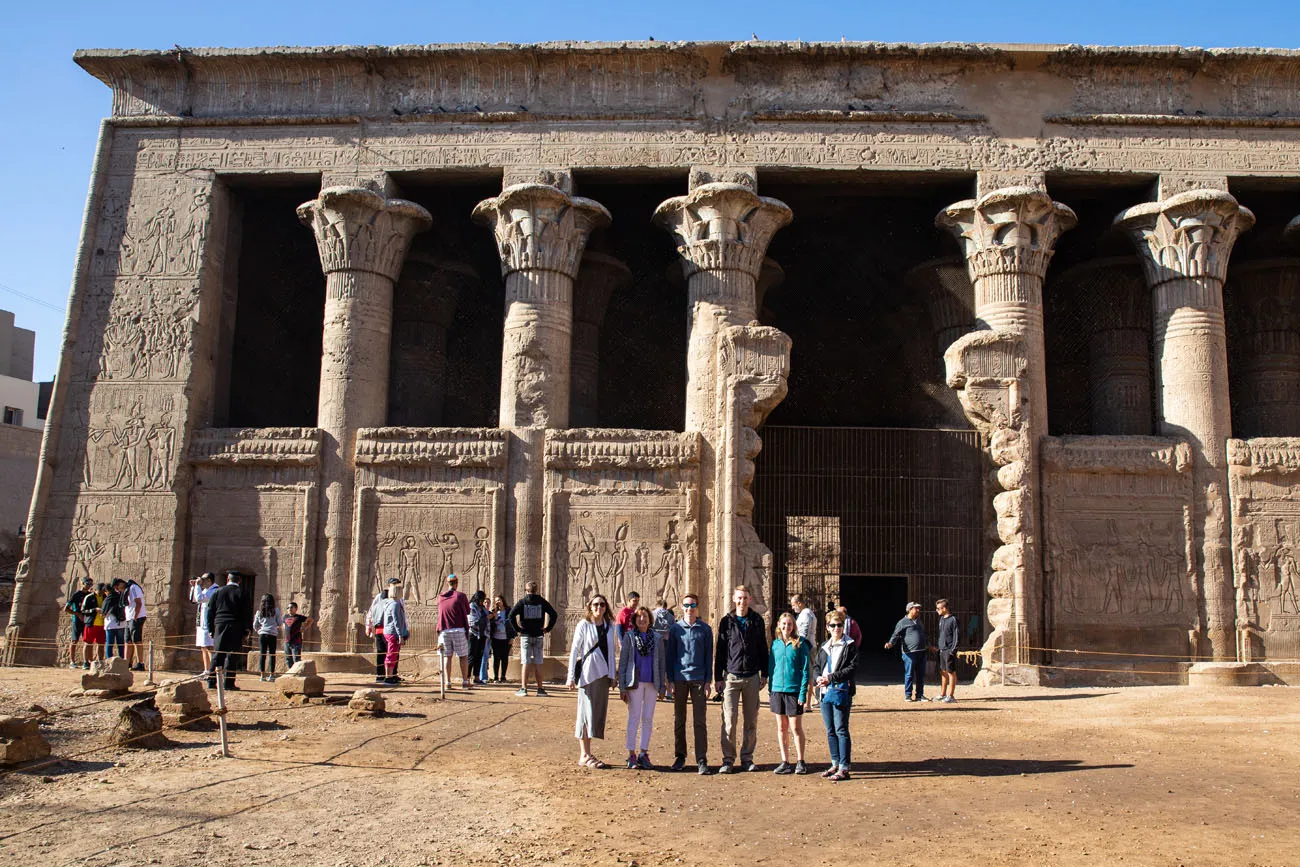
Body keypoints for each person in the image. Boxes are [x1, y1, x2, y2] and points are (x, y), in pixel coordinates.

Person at [714, 585, 769, 773]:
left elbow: (763, 647)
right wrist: (717, 677)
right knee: (729, 719)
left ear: (750, 600)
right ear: (733, 599)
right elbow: (720, 650)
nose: (742, 602)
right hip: (731, 676)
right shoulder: (726, 621)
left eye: (745, 598)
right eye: (739, 598)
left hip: (752, 676)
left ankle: (747, 758)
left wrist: (765, 673)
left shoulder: (756, 621)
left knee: (751, 720)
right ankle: (728, 759)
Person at [566, 593, 619, 769]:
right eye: (596, 605)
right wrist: (570, 677)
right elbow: (575, 651)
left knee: (596, 713)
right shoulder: (584, 624)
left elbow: (611, 652)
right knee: (585, 712)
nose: (599, 608)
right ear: (590, 606)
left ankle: (588, 753)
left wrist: (612, 675)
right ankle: (584, 754)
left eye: (602, 605)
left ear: (606, 607)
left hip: (603, 674)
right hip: (588, 674)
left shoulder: (609, 626)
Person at [667, 592, 713, 774]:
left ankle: (701, 758)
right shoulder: (675, 629)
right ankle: (680, 756)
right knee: (680, 720)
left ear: (697, 607)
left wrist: (709, 680)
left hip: (699, 679)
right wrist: (670, 680)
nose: (689, 609)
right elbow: (670, 656)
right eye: (686, 605)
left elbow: (709, 656)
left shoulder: (705, 629)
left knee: (700, 721)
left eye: (692, 605)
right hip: (679, 679)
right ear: (682, 607)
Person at [617, 606, 666, 769]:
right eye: (638, 617)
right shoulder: (630, 637)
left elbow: (661, 663)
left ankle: (643, 752)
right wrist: (622, 686)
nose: (642, 619)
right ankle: (631, 754)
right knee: (634, 717)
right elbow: (623, 662)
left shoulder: (657, 638)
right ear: (634, 620)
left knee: (647, 718)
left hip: (652, 682)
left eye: (644, 616)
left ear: (650, 619)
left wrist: (662, 686)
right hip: (635, 682)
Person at [815, 609, 858, 781]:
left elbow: (852, 668)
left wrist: (831, 678)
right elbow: (817, 666)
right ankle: (834, 762)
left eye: (839, 625)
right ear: (827, 627)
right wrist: (818, 678)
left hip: (840, 690)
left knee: (841, 729)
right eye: (833, 625)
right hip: (825, 691)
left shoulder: (850, 645)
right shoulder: (825, 646)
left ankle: (844, 767)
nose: (836, 628)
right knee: (830, 729)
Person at [767, 612, 811, 775]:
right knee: (781, 727)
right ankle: (785, 761)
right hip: (778, 690)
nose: (786, 627)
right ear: (779, 625)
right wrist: (771, 689)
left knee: (795, 727)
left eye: (790, 624)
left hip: (793, 690)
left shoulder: (800, 644)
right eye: (784, 624)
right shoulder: (775, 645)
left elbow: (806, 670)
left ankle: (800, 760)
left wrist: (803, 694)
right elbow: (772, 667)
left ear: (794, 626)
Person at [509, 581, 557, 697]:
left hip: (526, 634)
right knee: (538, 662)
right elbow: (554, 614)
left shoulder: (522, 602)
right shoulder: (541, 601)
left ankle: (524, 688)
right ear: (536, 590)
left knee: (525, 661)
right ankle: (540, 689)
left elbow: (511, 615)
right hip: (538, 634)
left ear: (526, 590)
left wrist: (518, 629)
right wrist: (547, 628)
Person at [206, 571, 247, 691]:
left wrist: (211, 628)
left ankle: (211, 681)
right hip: (236, 626)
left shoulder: (218, 591)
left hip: (220, 624)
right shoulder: (243, 593)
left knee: (217, 654)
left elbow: (210, 611)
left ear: (228, 579)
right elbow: (246, 613)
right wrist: (246, 630)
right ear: (239, 581)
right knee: (232, 655)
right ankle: (228, 683)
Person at [885, 601, 928, 702]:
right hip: (909, 653)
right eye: (916, 608)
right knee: (909, 674)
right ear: (910, 609)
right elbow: (895, 634)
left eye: (918, 608)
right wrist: (890, 643)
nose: (918, 610)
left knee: (920, 674)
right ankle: (908, 695)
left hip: (921, 651)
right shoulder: (902, 622)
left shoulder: (919, 621)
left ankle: (919, 695)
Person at [437, 573, 473, 689]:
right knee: (463, 656)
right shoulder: (460, 596)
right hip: (458, 629)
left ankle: (448, 682)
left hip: (444, 630)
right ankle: (465, 681)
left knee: (447, 656)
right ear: (456, 584)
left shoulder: (441, 597)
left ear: (447, 583)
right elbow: (467, 611)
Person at [378, 578, 410, 685]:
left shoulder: (390, 603)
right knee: (391, 654)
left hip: (389, 631)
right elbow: (396, 621)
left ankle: (390, 675)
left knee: (392, 654)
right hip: (393, 632)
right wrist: (400, 635)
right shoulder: (395, 604)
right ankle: (388, 677)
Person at [791, 593, 817, 711]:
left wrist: (800, 646)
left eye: (793, 605)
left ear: (799, 603)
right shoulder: (806, 613)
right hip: (808, 645)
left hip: (807, 646)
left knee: (808, 673)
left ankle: (808, 703)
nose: (792, 607)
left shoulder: (806, 615)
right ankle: (810, 700)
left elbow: (804, 633)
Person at [365, 581, 394, 684]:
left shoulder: (378, 603)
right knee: (391, 653)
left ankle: (381, 675)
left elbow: (370, 613)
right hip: (388, 631)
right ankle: (390, 675)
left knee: (382, 653)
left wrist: (368, 626)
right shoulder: (390, 603)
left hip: (379, 630)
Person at [189, 572, 217, 675]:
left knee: (210, 647)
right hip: (201, 623)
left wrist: (197, 586)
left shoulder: (214, 591)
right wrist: (194, 587)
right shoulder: (205, 590)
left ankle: (213, 671)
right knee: (203, 647)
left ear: (209, 580)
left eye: (203, 579)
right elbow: (194, 599)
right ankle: (206, 670)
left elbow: (201, 598)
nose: (201, 581)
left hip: (208, 624)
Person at [253, 594, 283, 681]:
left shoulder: (259, 612)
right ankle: (272, 675)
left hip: (263, 634)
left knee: (263, 654)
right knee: (272, 655)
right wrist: (274, 625)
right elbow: (280, 623)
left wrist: (259, 630)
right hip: (272, 634)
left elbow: (255, 625)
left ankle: (262, 675)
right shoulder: (276, 611)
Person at [64, 577, 92, 669]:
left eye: (90, 584)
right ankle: (72, 661)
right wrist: (77, 614)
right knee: (74, 640)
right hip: (77, 620)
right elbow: (66, 608)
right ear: (82, 583)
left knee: (88, 641)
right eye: (87, 584)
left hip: (87, 620)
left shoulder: (90, 595)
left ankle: (87, 661)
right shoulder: (76, 595)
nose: (89, 586)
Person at [935, 598, 959, 703]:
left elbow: (956, 636)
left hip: (949, 650)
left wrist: (952, 650)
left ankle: (951, 695)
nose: (937, 610)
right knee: (943, 671)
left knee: (951, 672)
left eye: (938, 608)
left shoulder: (953, 620)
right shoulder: (942, 620)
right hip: (942, 649)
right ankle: (943, 693)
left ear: (944, 608)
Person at [124, 577, 148, 672]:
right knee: (128, 640)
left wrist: (135, 616)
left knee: (137, 640)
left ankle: (140, 663)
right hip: (129, 617)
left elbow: (139, 603)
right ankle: (127, 662)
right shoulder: (127, 590)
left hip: (136, 617)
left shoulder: (133, 588)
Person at [467, 589, 491, 686]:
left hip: (482, 634)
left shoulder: (483, 609)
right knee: (471, 655)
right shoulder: (472, 607)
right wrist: (486, 618)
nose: (482, 601)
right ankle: (467, 677)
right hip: (473, 634)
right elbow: (473, 622)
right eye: (481, 599)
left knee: (479, 656)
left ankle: (476, 677)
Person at [103, 579, 130, 660]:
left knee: (109, 644)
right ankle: (122, 661)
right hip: (121, 623)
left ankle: (109, 661)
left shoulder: (109, 598)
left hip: (110, 624)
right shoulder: (122, 595)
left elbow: (104, 612)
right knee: (121, 644)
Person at [490, 594, 514, 683]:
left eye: (499, 600)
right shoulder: (494, 612)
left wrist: (512, 637)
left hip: (506, 637)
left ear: (503, 600)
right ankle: (496, 676)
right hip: (496, 638)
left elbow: (512, 624)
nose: (497, 602)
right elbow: (491, 624)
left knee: (504, 657)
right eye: (496, 600)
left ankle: (503, 676)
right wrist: (494, 618)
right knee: (496, 657)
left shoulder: (508, 611)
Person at [80, 583, 106, 665]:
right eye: (100, 591)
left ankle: (100, 661)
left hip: (102, 624)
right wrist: (94, 610)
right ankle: (86, 661)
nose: (101, 593)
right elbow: (83, 610)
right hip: (91, 623)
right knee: (88, 643)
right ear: (95, 590)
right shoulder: (89, 597)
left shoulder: (105, 597)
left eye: (103, 591)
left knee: (101, 644)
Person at [283, 601, 310, 668]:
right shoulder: (285, 617)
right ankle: (290, 673)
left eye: (291, 607)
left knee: (296, 659)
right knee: (288, 659)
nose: (289, 609)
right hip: (287, 641)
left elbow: (310, 620)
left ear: (296, 609)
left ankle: (297, 673)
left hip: (296, 642)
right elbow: (283, 624)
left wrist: (304, 628)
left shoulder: (299, 617)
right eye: (288, 607)